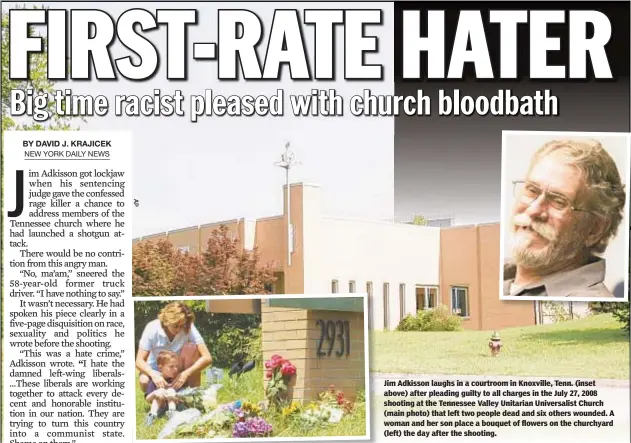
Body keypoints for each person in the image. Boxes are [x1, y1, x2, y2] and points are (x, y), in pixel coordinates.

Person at [503, 139, 626, 298]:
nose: (533, 210)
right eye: (532, 190)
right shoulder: (497, 274)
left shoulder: (589, 303)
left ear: (595, 230)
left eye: (558, 201)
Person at [136, 302, 213, 408]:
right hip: (156, 369)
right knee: (143, 380)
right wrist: (153, 375)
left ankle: (193, 395)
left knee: (191, 348)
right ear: (166, 321)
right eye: (175, 326)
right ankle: (158, 397)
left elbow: (207, 357)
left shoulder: (188, 327)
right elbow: (139, 361)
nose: (179, 330)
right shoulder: (152, 328)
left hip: (177, 368)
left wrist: (186, 373)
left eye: (182, 326)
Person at [144, 350, 184, 425]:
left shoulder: (177, 381)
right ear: (160, 367)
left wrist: (174, 395)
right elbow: (147, 399)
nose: (175, 369)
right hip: (160, 407)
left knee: (171, 390)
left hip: (175, 406)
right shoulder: (156, 381)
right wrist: (155, 393)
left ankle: (172, 414)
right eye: (171, 366)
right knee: (158, 395)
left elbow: (182, 399)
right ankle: (152, 415)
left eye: (176, 366)